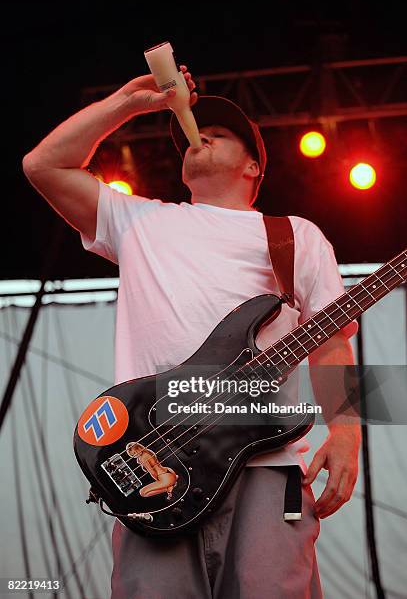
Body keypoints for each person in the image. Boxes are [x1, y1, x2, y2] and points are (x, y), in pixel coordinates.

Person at [22, 64, 361, 599]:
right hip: (154, 460)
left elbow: (334, 341)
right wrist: (127, 104)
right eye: (190, 136)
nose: (198, 136)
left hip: (271, 467)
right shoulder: (137, 220)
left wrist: (347, 434)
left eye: (219, 133)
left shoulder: (296, 235)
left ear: (253, 165)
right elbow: (41, 164)